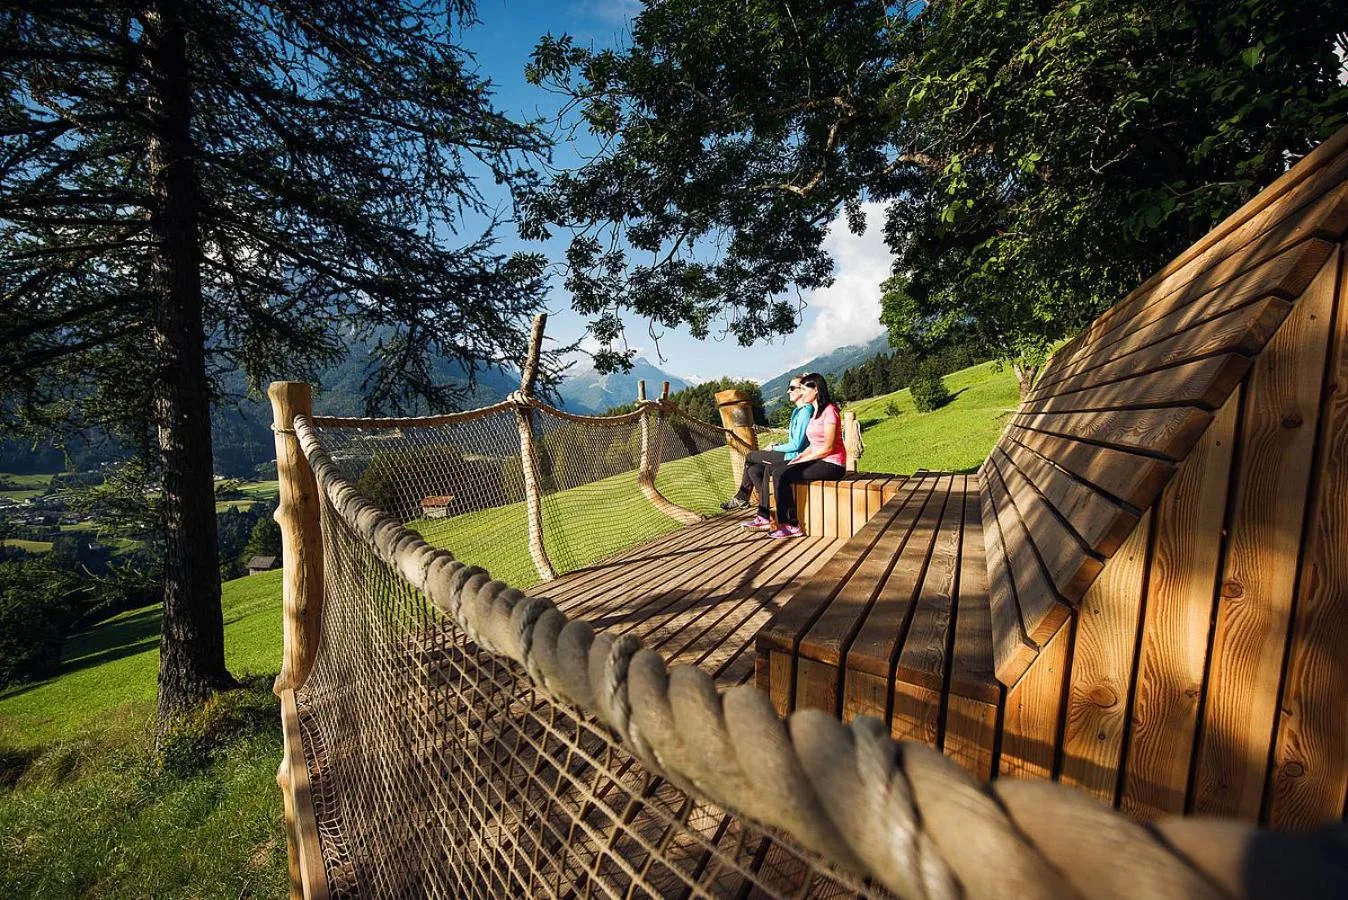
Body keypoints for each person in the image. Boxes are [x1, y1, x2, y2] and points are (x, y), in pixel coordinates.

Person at [764, 372, 846, 539]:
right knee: (777, 469)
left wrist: (805, 459)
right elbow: (814, 445)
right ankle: (786, 523)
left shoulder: (830, 411)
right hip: (819, 460)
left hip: (833, 465)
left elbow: (828, 448)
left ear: (815, 389)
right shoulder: (815, 413)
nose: (801, 392)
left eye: (803, 389)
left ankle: (791, 525)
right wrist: (799, 458)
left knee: (782, 473)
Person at [722, 375, 811, 514]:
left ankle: (742, 497)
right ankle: (768, 508)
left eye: (792, 388)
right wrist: (779, 446)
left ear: (803, 390)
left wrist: (773, 448)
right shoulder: (797, 412)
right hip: (791, 454)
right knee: (754, 470)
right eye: (789, 388)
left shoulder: (806, 412)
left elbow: (797, 445)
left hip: (797, 458)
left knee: (751, 456)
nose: (788, 391)